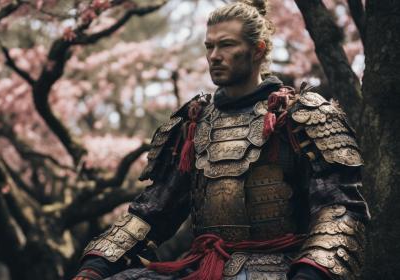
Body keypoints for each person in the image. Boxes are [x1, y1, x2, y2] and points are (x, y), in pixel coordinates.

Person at [74, 1, 369, 279]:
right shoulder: (194, 122)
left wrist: (311, 274)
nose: (214, 55)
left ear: (258, 50)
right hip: (202, 265)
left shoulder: (300, 116)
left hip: (278, 267)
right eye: (209, 46)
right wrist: (96, 264)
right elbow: (154, 210)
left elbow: (339, 208)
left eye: (226, 45)